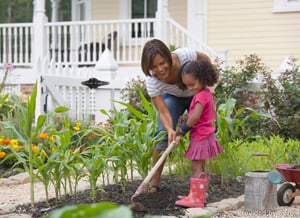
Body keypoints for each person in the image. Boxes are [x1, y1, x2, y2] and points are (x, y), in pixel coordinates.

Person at [140, 39, 211, 193]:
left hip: (196, 94)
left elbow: (205, 59)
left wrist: (208, 88)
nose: (159, 69)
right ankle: (154, 183)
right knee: (162, 134)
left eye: (162, 63)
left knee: (200, 134)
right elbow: (164, 111)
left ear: (168, 57)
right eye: (153, 67)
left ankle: (199, 188)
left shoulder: (185, 56)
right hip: (173, 98)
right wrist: (170, 129)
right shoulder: (152, 82)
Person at [175, 60, 223, 208]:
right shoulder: (205, 93)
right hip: (205, 135)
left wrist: (182, 130)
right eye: (187, 86)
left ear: (203, 78)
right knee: (200, 167)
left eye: (193, 84)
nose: (190, 88)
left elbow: (195, 117)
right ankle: (198, 194)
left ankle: (196, 198)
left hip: (200, 137)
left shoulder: (201, 95)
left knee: (196, 167)